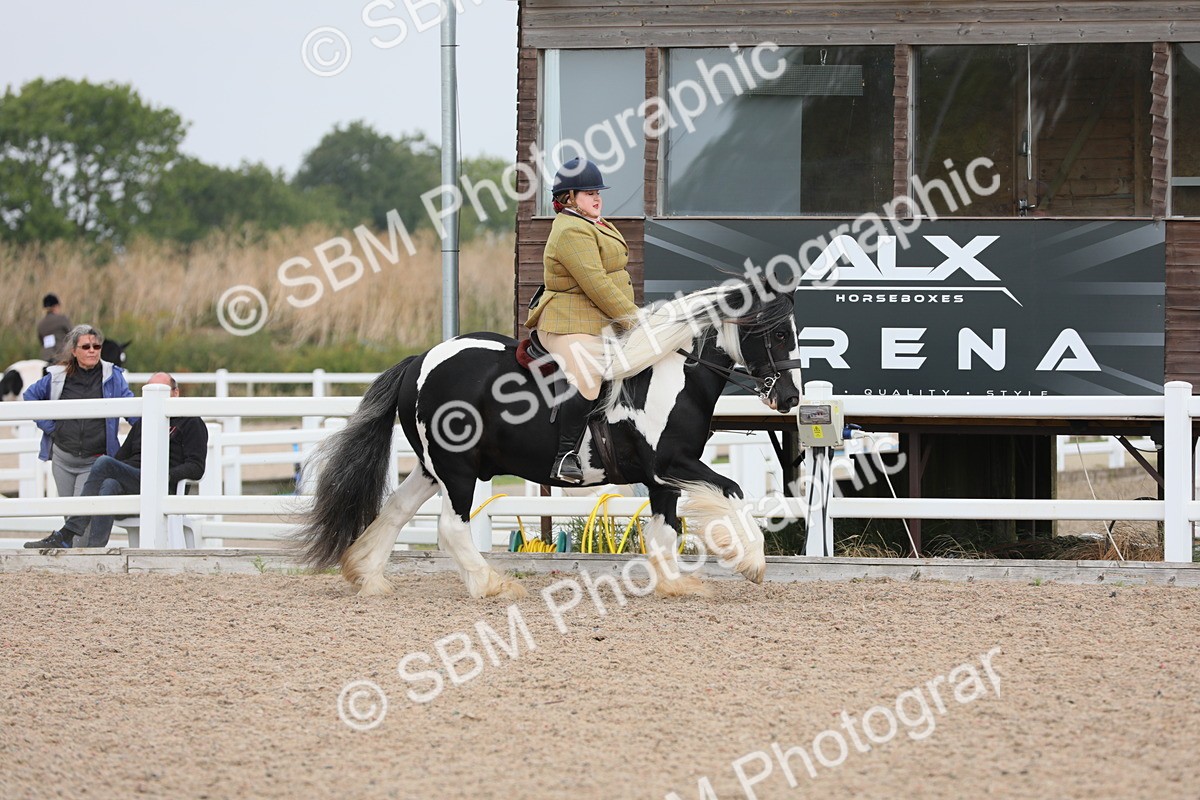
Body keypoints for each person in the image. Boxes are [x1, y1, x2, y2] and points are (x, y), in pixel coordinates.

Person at [524, 157, 640, 483]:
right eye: (588, 192)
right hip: (567, 323)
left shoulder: (595, 222)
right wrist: (635, 322)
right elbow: (598, 285)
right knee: (590, 372)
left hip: (599, 321)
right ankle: (564, 455)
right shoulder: (571, 230)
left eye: (597, 191)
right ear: (569, 197)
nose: (597, 197)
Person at [25, 373, 208, 549]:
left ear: (176, 393)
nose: (156, 394)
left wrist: (165, 475)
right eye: (149, 390)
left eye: (162, 389)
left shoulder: (191, 421)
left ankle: (67, 534)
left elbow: (196, 467)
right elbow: (122, 457)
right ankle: (94, 551)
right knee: (110, 484)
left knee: (105, 463)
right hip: (134, 483)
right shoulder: (144, 423)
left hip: (161, 485)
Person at [22, 325, 136, 534]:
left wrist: (157, 423)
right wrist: (51, 428)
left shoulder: (113, 377)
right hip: (63, 458)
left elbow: (131, 409)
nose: (92, 350)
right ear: (74, 350)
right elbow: (30, 396)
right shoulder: (57, 376)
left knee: (81, 518)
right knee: (70, 517)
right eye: (86, 346)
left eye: (96, 346)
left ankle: (81, 564)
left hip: (94, 460)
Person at [37, 293, 72, 362]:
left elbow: (41, 342)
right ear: (56, 306)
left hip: (45, 358)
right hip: (61, 357)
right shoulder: (62, 319)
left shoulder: (40, 324)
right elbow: (72, 335)